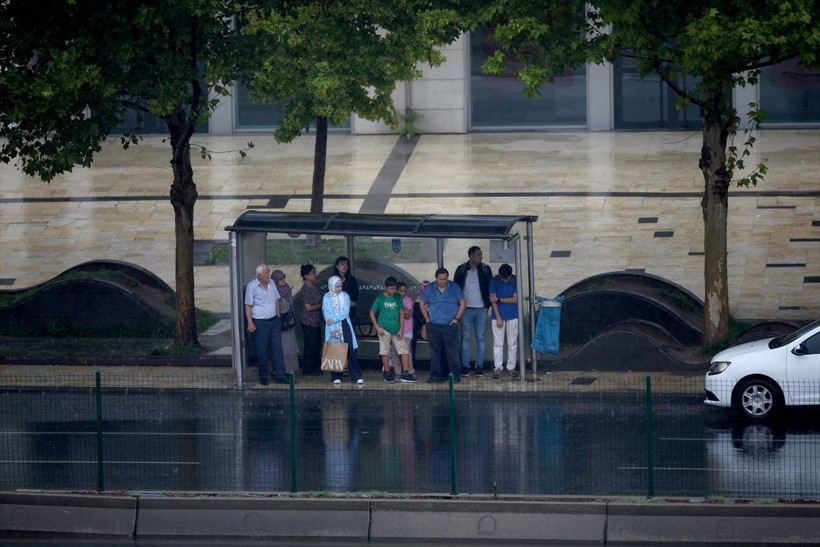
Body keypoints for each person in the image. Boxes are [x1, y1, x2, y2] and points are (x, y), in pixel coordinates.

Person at [419, 267, 465, 383]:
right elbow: (422, 302)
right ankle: (435, 375)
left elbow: (463, 302)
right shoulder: (430, 288)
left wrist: (457, 318)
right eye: (440, 279)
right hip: (433, 324)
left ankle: (455, 376)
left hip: (450, 324)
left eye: (445, 279)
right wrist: (427, 319)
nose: (443, 281)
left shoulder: (454, 287)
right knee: (435, 352)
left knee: (452, 351)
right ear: (436, 278)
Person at [244, 264, 288, 385]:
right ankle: (263, 376)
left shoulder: (272, 284)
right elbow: (248, 305)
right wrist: (250, 322)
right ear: (259, 275)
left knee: (277, 348)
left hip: (274, 320)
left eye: (269, 272)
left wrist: (278, 316)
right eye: (266, 273)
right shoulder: (252, 286)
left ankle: (280, 375)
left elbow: (276, 300)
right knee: (262, 350)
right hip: (260, 322)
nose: (268, 274)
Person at [454, 246, 493, 377]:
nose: (481, 257)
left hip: (481, 309)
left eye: (481, 254)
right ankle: (465, 365)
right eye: (478, 254)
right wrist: (459, 306)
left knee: (480, 337)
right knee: (465, 337)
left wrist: (487, 305)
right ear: (471, 256)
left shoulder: (485, 269)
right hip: (465, 309)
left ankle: (479, 366)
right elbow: (456, 288)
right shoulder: (461, 269)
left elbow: (490, 287)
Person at [370, 276, 418, 384]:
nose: (393, 291)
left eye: (395, 289)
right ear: (386, 288)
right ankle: (387, 373)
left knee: (404, 350)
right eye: (391, 289)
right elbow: (372, 312)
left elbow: (401, 312)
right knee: (385, 351)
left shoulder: (397, 297)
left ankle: (405, 374)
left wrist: (401, 329)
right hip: (384, 328)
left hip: (396, 329)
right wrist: (377, 327)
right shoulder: (380, 298)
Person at [323, 275, 364, 385]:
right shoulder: (326, 297)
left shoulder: (345, 295)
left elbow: (345, 312)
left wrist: (335, 319)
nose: (339, 289)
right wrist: (332, 328)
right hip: (332, 326)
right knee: (335, 349)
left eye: (340, 286)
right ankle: (336, 376)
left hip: (344, 324)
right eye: (337, 287)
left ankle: (356, 375)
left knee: (350, 349)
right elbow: (326, 312)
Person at [489, 263, 519, 379]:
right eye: (503, 278)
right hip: (499, 315)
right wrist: (498, 317)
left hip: (513, 315)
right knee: (498, 343)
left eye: (507, 278)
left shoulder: (515, 280)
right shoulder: (494, 281)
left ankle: (511, 367)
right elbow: (492, 300)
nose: (505, 280)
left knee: (512, 343)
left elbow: (515, 299)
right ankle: (498, 367)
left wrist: (499, 299)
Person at [272, 269, 299, 375]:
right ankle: (282, 370)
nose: (283, 280)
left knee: (291, 346)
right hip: (281, 324)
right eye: (280, 278)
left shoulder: (287, 288)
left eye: (284, 277)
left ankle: (291, 370)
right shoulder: (273, 291)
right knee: (283, 347)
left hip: (290, 323)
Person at [298, 263, 324, 376]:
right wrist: (320, 305)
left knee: (317, 344)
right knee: (310, 345)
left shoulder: (313, 286)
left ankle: (315, 367)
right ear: (306, 275)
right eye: (312, 273)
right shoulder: (306, 289)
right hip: (309, 321)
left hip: (316, 321)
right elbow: (308, 307)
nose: (315, 275)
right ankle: (308, 369)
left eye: (315, 272)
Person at [390, 281, 417, 378]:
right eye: (401, 291)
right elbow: (392, 314)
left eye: (405, 291)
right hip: (394, 330)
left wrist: (398, 312)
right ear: (397, 291)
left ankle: (410, 371)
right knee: (395, 352)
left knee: (406, 352)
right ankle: (398, 372)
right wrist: (402, 311)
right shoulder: (392, 300)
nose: (403, 293)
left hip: (407, 330)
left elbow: (407, 315)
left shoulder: (408, 300)